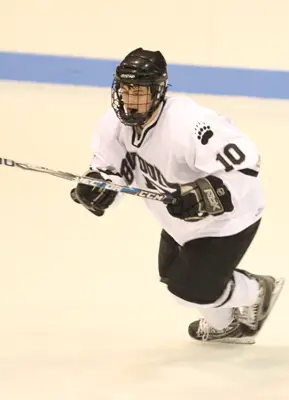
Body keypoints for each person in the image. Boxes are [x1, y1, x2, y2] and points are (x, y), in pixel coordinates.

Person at [71, 47, 284, 344]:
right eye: (125, 90)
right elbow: (110, 169)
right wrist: (98, 186)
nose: (131, 100)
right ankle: (229, 328)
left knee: (192, 289)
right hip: (179, 221)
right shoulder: (112, 124)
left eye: (140, 92)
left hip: (229, 218)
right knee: (174, 278)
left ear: (158, 91)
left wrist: (205, 192)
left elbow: (245, 164)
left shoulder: (190, 123)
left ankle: (259, 291)